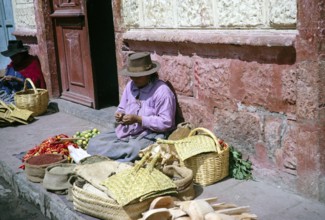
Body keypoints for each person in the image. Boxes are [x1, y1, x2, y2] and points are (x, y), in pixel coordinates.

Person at [87, 52, 177, 162]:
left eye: (138, 76)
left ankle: (117, 156)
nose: (134, 79)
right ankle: (118, 156)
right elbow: (122, 107)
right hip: (127, 132)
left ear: (149, 74)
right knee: (94, 143)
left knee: (136, 149)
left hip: (149, 135)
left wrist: (138, 119)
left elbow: (166, 122)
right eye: (132, 75)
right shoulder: (131, 85)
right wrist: (120, 114)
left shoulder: (162, 92)